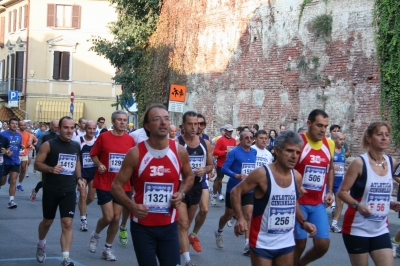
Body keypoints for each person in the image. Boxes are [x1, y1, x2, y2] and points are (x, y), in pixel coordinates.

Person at [110, 103, 194, 266]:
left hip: (169, 226)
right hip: (142, 227)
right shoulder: (135, 153)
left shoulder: (179, 151)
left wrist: (181, 193)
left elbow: (189, 176)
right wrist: (131, 206)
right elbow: (116, 186)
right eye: (157, 119)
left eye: (166, 119)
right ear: (147, 126)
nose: (163, 123)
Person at [231, 130, 317, 265]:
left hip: (286, 242)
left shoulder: (297, 177)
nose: (294, 156)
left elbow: (293, 203)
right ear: (277, 151)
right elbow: (235, 192)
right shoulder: (262, 174)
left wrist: (304, 222)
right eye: (289, 151)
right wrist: (240, 218)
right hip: (262, 242)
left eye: (297, 152)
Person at [337, 122, 400, 266]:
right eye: (379, 135)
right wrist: (358, 205)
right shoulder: (359, 163)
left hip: (380, 228)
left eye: (387, 135)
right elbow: (342, 192)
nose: (384, 138)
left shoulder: (391, 162)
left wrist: (390, 204)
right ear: (369, 139)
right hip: (357, 227)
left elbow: (379, 193)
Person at [34, 116, 83, 266]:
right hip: (51, 189)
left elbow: (77, 162)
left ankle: (65, 258)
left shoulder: (76, 145)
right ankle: (41, 243)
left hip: (68, 190)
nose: (69, 131)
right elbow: (37, 164)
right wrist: (50, 169)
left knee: (67, 223)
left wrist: (79, 178)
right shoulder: (49, 145)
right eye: (66, 128)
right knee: (47, 221)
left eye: (71, 128)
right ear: (59, 129)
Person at [88, 110, 135, 261]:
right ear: (113, 122)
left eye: (124, 120)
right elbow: (93, 154)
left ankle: (107, 249)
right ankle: (95, 235)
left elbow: (133, 161)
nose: (122, 122)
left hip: (122, 184)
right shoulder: (103, 137)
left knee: (116, 219)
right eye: (119, 120)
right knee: (108, 217)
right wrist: (99, 164)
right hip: (105, 182)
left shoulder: (130, 140)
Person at [293, 109, 335, 266]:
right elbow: (286, 168)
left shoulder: (329, 143)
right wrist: (294, 185)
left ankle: (300, 264)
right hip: (297, 202)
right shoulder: (298, 142)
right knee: (300, 244)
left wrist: (330, 191)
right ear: (309, 124)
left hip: (317, 203)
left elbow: (330, 167)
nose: (323, 130)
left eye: (325, 126)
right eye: (319, 125)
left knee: (323, 245)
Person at [177, 111, 213, 265]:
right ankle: (187, 260)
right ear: (183, 125)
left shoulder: (206, 143)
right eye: (190, 124)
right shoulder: (177, 143)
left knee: (188, 223)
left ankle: (181, 240)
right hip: (181, 186)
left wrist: (203, 170)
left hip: (197, 186)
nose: (194, 127)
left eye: (196, 124)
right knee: (183, 223)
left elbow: (211, 165)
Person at [215, 131, 257, 255]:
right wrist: (236, 175)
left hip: (249, 189)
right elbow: (224, 168)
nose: (249, 140)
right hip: (234, 190)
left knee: (249, 215)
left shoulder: (254, 152)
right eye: (246, 138)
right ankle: (219, 231)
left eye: (251, 138)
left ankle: (247, 244)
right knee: (228, 215)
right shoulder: (234, 152)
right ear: (241, 140)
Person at [74, 120, 97, 232]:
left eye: (94, 129)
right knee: (83, 194)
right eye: (89, 128)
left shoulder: (98, 141)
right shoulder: (79, 140)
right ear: (85, 129)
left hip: (93, 173)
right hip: (82, 172)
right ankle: (84, 220)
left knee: (90, 198)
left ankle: (81, 204)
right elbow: (76, 158)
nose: (92, 131)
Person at [31, 120, 59, 201]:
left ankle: (52, 196)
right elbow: (38, 148)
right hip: (45, 162)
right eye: (55, 127)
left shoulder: (58, 135)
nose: (56, 129)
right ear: (50, 126)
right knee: (45, 180)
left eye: (58, 127)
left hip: (56, 161)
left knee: (55, 180)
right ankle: (37, 190)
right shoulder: (44, 135)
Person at [0, 118, 22, 209]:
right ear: (9, 124)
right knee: (2, 182)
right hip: (4, 162)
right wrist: (5, 151)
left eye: (16, 124)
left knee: (13, 181)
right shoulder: (3, 135)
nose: (14, 125)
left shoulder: (19, 135)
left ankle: (11, 200)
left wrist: (22, 147)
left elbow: (19, 146)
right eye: (12, 123)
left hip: (15, 161)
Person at [212, 124, 236, 205]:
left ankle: (232, 196)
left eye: (231, 131)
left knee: (234, 179)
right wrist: (224, 152)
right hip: (221, 163)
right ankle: (214, 196)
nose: (230, 132)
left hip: (231, 163)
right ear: (225, 131)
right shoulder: (220, 140)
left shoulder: (233, 140)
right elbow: (215, 152)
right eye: (229, 131)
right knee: (219, 180)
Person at [330, 132, 346, 233]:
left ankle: (334, 224)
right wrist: (331, 166)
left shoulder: (343, 150)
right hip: (330, 180)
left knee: (340, 202)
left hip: (340, 180)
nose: (342, 141)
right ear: (335, 140)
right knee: (325, 202)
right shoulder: (330, 149)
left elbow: (342, 164)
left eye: (343, 139)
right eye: (340, 139)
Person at [16, 120, 32, 192]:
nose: (22, 126)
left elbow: (29, 143)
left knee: (23, 169)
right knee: (17, 169)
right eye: (21, 125)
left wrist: (30, 144)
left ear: (25, 125)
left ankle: (19, 184)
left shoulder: (28, 134)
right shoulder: (16, 133)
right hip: (16, 153)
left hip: (24, 153)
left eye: (24, 125)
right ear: (19, 125)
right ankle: (14, 182)